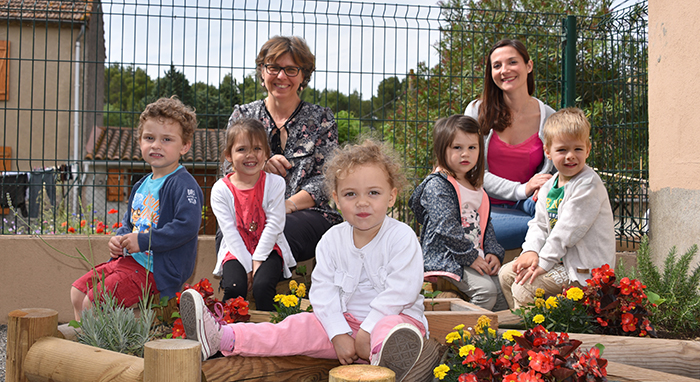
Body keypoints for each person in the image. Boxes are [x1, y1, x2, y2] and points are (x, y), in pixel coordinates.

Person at [181, 140, 428, 382]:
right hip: (344, 326)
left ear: (392, 196)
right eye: (350, 194)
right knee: (294, 327)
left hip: (393, 321)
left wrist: (368, 330)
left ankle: (385, 360)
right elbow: (322, 291)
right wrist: (337, 333)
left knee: (393, 329)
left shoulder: (401, 237)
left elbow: (401, 291)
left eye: (373, 193)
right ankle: (223, 337)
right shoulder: (331, 239)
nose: (362, 202)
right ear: (337, 199)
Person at [70, 97, 203, 320]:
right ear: (140, 141)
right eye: (149, 138)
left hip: (156, 271)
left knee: (92, 303)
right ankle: (87, 342)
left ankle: (100, 350)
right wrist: (119, 240)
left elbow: (187, 226)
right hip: (129, 262)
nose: (156, 145)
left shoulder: (183, 183)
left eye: (167, 139)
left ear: (185, 146)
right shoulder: (141, 184)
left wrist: (143, 241)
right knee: (78, 293)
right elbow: (129, 224)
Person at [219, 35, 341, 264]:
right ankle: (233, 297)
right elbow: (228, 171)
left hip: (305, 215)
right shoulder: (243, 116)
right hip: (247, 212)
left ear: (303, 75)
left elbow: (326, 180)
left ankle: (263, 294)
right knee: (228, 237)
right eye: (274, 67)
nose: (282, 76)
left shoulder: (322, 120)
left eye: (291, 69)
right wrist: (259, 166)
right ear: (262, 72)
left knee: (277, 231)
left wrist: (288, 205)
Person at [498, 108, 615, 309]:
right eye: (562, 150)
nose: (570, 156)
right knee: (507, 275)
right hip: (559, 260)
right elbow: (539, 224)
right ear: (548, 152)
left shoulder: (588, 185)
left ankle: (541, 335)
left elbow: (566, 231)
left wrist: (542, 263)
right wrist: (530, 251)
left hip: (583, 270)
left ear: (588, 149)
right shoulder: (550, 185)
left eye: (577, 149)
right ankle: (522, 325)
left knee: (524, 287)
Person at [464, 39, 557, 250]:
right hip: (484, 208)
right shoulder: (476, 112)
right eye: (497, 65)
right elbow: (473, 171)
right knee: (544, 228)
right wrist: (522, 189)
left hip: (528, 205)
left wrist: (547, 183)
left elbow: (560, 166)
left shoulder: (549, 117)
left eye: (512, 62)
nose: (504, 70)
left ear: (529, 66)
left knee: (560, 212)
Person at [409, 115, 508, 311]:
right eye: (457, 147)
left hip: (472, 256)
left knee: (503, 294)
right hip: (448, 257)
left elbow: (485, 226)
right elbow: (446, 227)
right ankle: (460, 332)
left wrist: (493, 253)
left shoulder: (475, 187)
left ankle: (490, 339)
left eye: (472, 147)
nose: (466, 154)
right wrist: (470, 257)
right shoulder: (438, 185)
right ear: (441, 149)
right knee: (486, 292)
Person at [210, 118, 296, 311]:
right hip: (236, 248)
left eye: (257, 149)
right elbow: (229, 232)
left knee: (262, 286)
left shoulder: (275, 183)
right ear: (229, 155)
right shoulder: (220, 190)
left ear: (266, 153)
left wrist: (257, 260)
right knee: (234, 287)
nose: (250, 155)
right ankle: (227, 330)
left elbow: (275, 224)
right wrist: (248, 267)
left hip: (269, 247)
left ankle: (270, 332)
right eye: (241, 149)